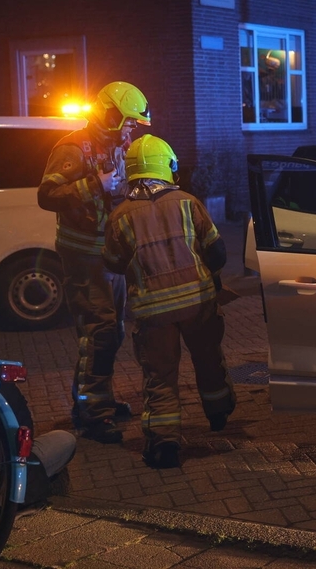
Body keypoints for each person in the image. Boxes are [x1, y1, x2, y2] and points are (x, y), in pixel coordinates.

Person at [102, 135, 236, 469]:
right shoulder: (188, 203)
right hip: (198, 303)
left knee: (160, 377)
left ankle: (165, 446)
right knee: (208, 359)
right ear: (168, 166)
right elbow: (217, 252)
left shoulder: (120, 216)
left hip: (153, 313)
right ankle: (218, 414)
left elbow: (113, 263)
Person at [38, 81, 151, 443]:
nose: (131, 128)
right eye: (128, 121)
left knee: (112, 331)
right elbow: (48, 194)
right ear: (110, 114)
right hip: (84, 257)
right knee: (98, 333)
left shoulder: (116, 145)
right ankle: (90, 414)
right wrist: (94, 184)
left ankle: (99, 400)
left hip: (107, 256)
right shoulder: (73, 147)